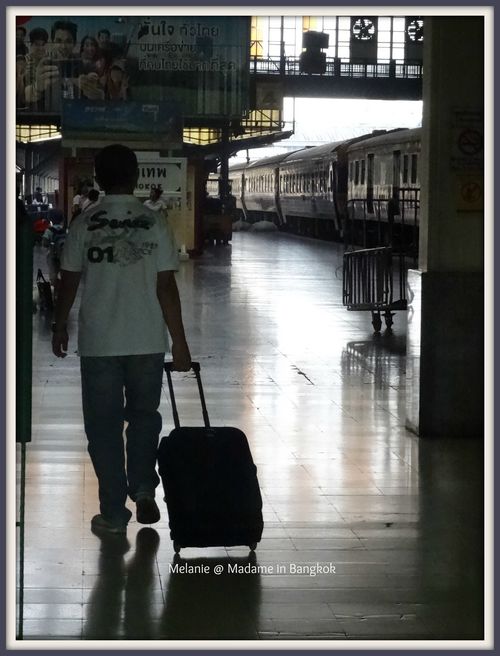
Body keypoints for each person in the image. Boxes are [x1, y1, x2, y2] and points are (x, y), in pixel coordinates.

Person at [51, 144, 191, 536]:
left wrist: (60, 325)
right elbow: (167, 286)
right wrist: (179, 342)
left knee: (103, 427)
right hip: (147, 339)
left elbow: (69, 281)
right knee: (145, 418)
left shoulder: (83, 223)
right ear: (136, 177)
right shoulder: (154, 223)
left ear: (98, 178)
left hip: (99, 344)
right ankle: (144, 486)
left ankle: (114, 512)